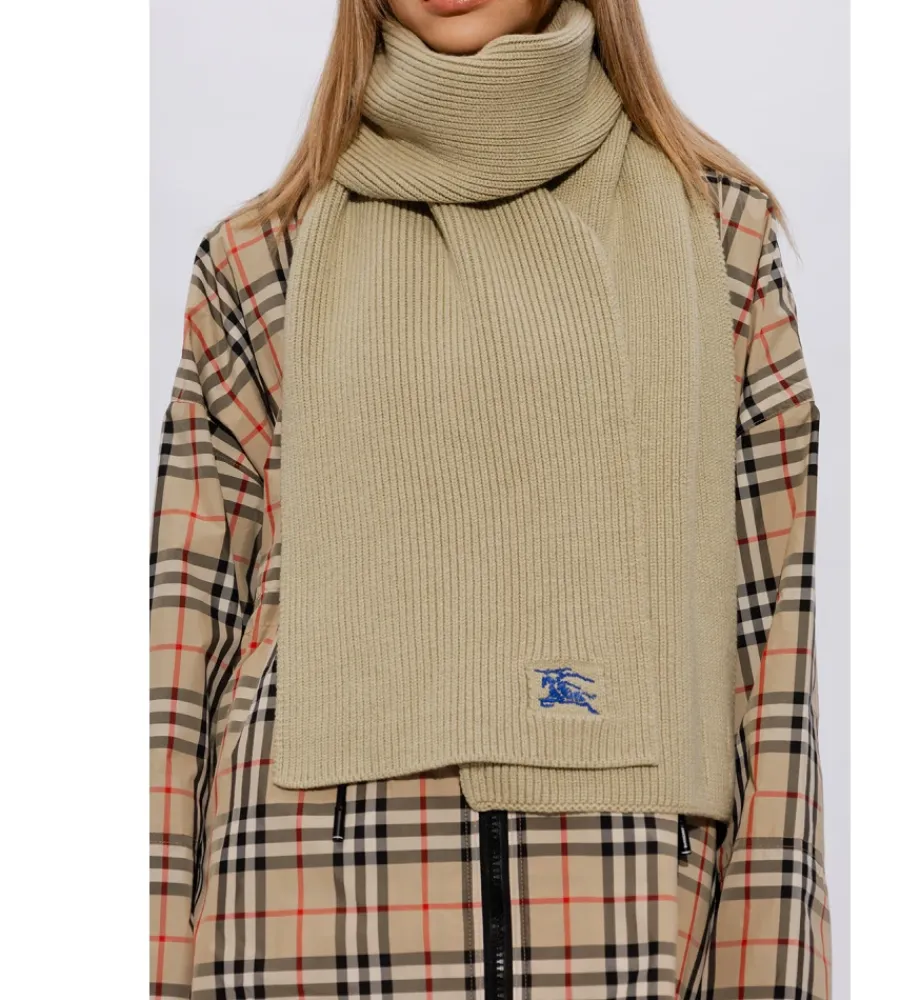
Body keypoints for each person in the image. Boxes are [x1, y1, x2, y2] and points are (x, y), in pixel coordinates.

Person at [149, 1, 832, 997]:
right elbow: (177, 673)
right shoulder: (258, 262)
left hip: (620, 926)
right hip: (298, 914)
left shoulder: (722, 240)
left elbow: (773, 661)